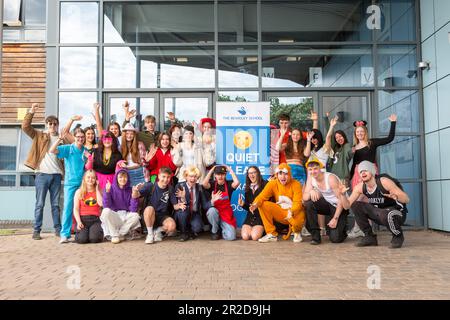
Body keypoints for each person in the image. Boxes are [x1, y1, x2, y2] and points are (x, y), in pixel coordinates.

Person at [21, 103, 71, 240]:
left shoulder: (62, 140)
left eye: (54, 124)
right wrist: (31, 111)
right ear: (46, 125)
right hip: (42, 175)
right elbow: (25, 127)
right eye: (49, 124)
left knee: (55, 205)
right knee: (40, 204)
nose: (52, 126)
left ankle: (57, 230)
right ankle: (36, 231)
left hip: (56, 176)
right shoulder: (39, 135)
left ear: (57, 125)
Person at [339, 161, 409, 249]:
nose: (363, 173)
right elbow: (347, 206)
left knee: (385, 213)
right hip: (380, 214)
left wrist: (396, 196)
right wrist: (342, 195)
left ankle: (398, 236)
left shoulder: (384, 182)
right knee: (356, 205)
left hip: (397, 213)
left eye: (365, 170)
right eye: (361, 171)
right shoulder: (360, 187)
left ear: (372, 171)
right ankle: (369, 237)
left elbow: (406, 199)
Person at [347, 114, 397, 238]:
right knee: (357, 201)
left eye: (361, 131)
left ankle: (365, 230)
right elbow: (354, 164)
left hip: (369, 173)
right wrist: (350, 176)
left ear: (365, 132)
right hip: (357, 175)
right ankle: (359, 228)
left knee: (368, 201)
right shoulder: (354, 148)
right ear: (355, 134)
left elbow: (389, 138)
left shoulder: (372, 143)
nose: (359, 133)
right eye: (357, 132)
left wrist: (393, 123)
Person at [49, 127, 87, 244]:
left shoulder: (85, 151)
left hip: (82, 185)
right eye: (78, 137)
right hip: (70, 184)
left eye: (82, 137)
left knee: (84, 209)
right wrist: (60, 139)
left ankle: (82, 232)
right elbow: (52, 150)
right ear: (74, 137)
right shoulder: (68, 149)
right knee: (68, 209)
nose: (80, 139)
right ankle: (64, 234)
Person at [250, 163, 305, 243]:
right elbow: (262, 197)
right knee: (262, 204)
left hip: (294, 212)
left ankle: (297, 232)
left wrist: (292, 211)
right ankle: (271, 234)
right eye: (280, 174)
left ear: (289, 174)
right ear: (277, 175)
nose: (282, 177)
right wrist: (255, 204)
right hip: (281, 212)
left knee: (298, 221)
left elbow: (298, 203)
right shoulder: (272, 183)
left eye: (285, 174)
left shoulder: (296, 184)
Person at [302, 158, 349, 245]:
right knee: (308, 203)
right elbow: (305, 197)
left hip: (340, 206)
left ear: (320, 168)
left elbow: (340, 200)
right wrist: (311, 191)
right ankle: (315, 237)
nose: (313, 172)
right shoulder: (311, 178)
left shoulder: (330, 178)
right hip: (327, 204)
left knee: (336, 239)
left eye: (315, 168)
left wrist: (335, 218)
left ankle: (342, 229)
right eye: (310, 170)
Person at [135, 167, 186, 244]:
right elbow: (136, 196)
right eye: (163, 176)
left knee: (172, 227)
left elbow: (175, 206)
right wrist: (136, 191)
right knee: (149, 208)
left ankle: (157, 231)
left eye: (168, 177)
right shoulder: (150, 186)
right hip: (149, 215)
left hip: (162, 216)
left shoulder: (170, 188)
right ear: (159, 176)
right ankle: (150, 234)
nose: (166, 179)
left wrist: (182, 198)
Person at [101, 165, 141, 244]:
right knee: (105, 211)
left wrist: (134, 196)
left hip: (126, 216)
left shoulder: (130, 189)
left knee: (136, 216)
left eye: (125, 177)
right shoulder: (111, 188)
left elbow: (133, 210)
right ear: (116, 178)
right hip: (115, 215)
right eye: (120, 177)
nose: (123, 179)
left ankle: (119, 234)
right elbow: (106, 205)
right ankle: (114, 235)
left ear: (128, 178)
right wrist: (107, 192)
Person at [202, 165, 240, 241]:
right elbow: (204, 184)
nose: (220, 176)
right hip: (215, 213)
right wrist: (212, 170)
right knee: (211, 211)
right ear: (215, 175)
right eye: (218, 174)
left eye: (222, 174)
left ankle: (222, 230)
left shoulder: (229, 184)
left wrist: (230, 170)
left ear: (225, 175)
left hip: (226, 214)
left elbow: (237, 182)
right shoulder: (212, 184)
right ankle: (215, 231)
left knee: (231, 237)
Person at [173, 166, 211, 241]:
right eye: (190, 176)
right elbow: (181, 206)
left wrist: (213, 201)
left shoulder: (199, 187)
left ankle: (190, 231)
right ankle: (183, 233)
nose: (193, 179)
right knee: (183, 211)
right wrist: (183, 197)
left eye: (195, 177)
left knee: (198, 227)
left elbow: (204, 205)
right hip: (182, 212)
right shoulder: (179, 186)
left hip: (194, 213)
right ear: (186, 177)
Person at [73, 170, 104, 244]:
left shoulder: (99, 191)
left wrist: (97, 189)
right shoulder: (79, 192)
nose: (90, 179)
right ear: (84, 179)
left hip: (95, 220)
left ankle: (97, 233)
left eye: (93, 178)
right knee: (82, 240)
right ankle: (83, 234)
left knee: (94, 239)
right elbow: (76, 209)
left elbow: (101, 204)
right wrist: (78, 221)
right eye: (88, 177)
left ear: (96, 180)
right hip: (83, 219)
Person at [238, 166, 267, 241]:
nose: (251, 175)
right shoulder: (248, 189)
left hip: (261, 217)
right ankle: (254, 230)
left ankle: (264, 230)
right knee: (245, 237)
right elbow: (249, 208)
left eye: (254, 172)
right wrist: (243, 205)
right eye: (249, 173)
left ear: (258, 173)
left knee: (254, 237)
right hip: (250, 217)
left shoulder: (265, 185)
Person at [326, 115, 354, 186]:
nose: (339, 138)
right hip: (332, 177)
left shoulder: (347, 146)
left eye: (340, 136)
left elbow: (349, 152)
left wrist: (352, 151)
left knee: (342, 196)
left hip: (342, 178)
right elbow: (328, 137)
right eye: (336, 138)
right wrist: (331, 126)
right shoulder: (334, 148)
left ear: (344, 136)